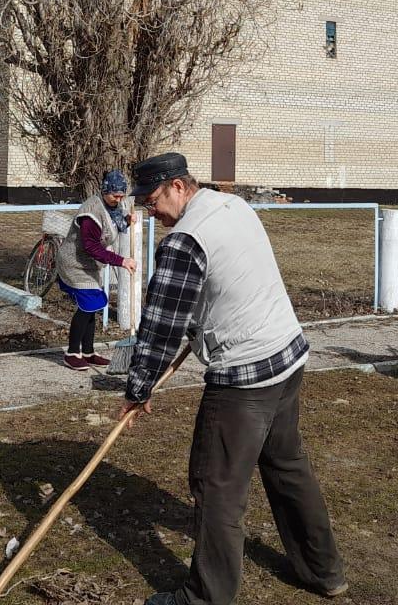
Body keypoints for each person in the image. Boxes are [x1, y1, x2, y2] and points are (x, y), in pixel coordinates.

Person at [121, 152, 346, 605]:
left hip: (244, 378)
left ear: (179, 187)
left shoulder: (184, 240)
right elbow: (232, 278)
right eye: (144, 204)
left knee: (216, 485)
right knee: (287, 465)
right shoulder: (234, 205)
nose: (151, 211)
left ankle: (206, 597)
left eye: (153, 200)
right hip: (286, 354)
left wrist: (138, 388)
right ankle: (324, 573)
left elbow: (161, 323)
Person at [55, 169, 137, 370]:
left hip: (89, 264)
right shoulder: (90, 212)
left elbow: (113, 224)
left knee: (93, 305)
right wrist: (121, 261)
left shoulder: (113, 206)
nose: (118, 200)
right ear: (104, 190)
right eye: (114, 195)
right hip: (74, 262)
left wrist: (126, 220)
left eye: (121, 196)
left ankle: (89, 351)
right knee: (90, 302)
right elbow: (91, 246)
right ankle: (73, 353)